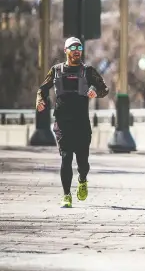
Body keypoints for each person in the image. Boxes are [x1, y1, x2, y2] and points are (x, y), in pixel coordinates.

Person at [36, 37, 109, 208]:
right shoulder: (56, 70)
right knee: (66, 157)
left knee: (83, 162)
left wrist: (95, 92)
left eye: (79, 47)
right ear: (65, 50)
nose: (77, 50)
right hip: (62, 122)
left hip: (82, 122)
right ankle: (66, 195)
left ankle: (82, 179)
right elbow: (43, 88)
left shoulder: (88, 71)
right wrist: (40, 100)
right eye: (73, 47)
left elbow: (104, 89)